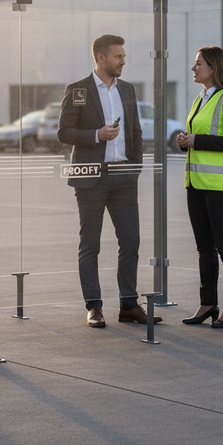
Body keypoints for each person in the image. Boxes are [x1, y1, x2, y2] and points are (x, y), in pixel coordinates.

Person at [58, 34, 162, 328]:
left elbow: (136, 133)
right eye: (118, 57)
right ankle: (94, 307)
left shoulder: (127, 90)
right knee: (90, 244)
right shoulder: (78, 90)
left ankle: (129, 304)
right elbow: (64, 132)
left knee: (131, 241)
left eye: (124, 56)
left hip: (123, 177)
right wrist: (96, 135)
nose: (123, 61)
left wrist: (135, 168)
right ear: (101, 57)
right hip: (90, 177)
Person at [176, 46, 223, 329]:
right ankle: (208, 304)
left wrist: (197, 141)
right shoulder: (200, 98)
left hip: (220, 186)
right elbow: (199, 136)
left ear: (214, 67)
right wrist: (185, 141)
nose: (194, 69)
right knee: (204, 248)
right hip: (196, 184)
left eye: (198, 64)